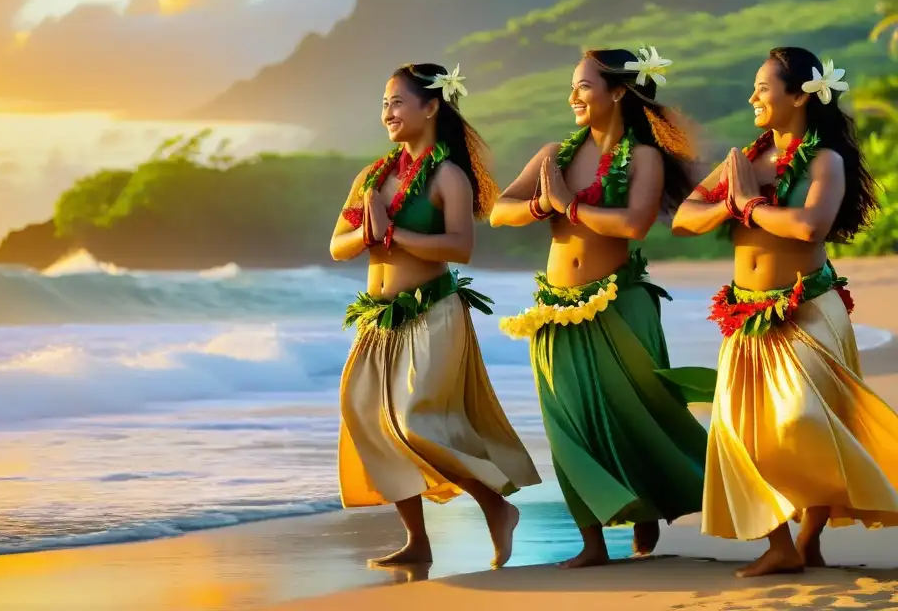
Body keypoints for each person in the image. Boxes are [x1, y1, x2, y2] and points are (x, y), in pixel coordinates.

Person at [672, 46, 898, 578]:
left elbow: (809, 227)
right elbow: (685, 216)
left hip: (808, 311)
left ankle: (808, 535)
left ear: (798, 96)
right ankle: (779, 544)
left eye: (762, 87)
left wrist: (750, 206)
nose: (752, 96)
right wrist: (730, 202)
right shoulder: (745, 162)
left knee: (805, 422)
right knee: (738, 431)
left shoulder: (825, 161)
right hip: (745, 316)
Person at [489, 47, 714, 568]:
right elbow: (501, 210)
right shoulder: (556, 155)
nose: (573, 95)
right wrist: (540, 205)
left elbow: (634, 224)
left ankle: (655, 505)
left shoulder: (644, 157)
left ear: (619, 92)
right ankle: (592, 543)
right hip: (554, 314)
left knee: (640, 414)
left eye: (584, 86)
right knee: (568, 426)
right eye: (573, 85)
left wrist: (572, 206)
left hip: (619, 306)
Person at [330, 63, 541, 569]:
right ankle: (417, 541)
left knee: (414, 423)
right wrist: (367, 233)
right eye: (384, 103)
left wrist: (394, 234)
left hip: (433, 314)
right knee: (368, 421)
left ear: (432, 107)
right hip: (379, 320)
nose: (388, 112)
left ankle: (496, 506)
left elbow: (461, 246)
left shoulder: (448, 175)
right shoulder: (373, 177)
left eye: (398, 101)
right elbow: (338, 246)